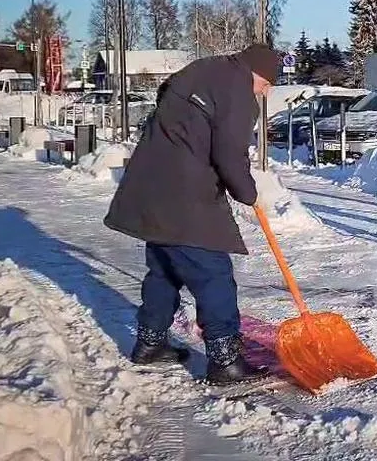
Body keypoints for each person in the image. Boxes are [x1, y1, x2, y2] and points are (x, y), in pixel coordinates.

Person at [104, 43, 279, 385]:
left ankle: (150, 344)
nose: (265, 91)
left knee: (165, 269)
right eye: (266, 83)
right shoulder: (237, 87)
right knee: (213, 274)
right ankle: (225, 361)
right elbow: (229, 152)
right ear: (256, 72)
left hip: (151, 187)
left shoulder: (206, 69)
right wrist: (247, 191)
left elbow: (169, 104)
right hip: (185, 196)